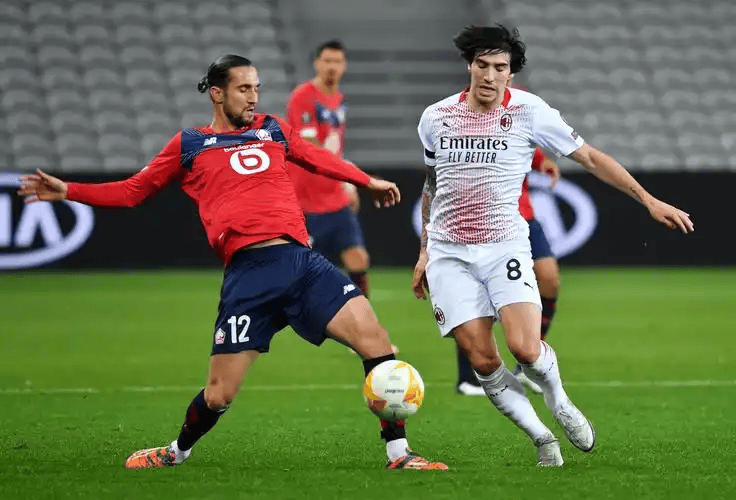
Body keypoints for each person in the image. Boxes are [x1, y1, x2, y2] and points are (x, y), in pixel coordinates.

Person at [19, 55, 447, 471]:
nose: (253, 97)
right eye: (244, 89)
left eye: (256, 88)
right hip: (250, 276)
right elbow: (133, 191)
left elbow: (315, 156)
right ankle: (176, 451)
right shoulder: (189, 144)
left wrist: (365, 180)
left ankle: (399, 453)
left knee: (378, 344)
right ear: (217, 93)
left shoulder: (272, 129)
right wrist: (69, 190)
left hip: (301, 263)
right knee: (218, 395)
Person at [412, 26, 693, 467]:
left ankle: (559, 400)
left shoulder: (530, 111)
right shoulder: (435, 117)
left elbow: (590, 157)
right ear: (469, 66)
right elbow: (432, 185)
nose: (490, 76)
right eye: (482, 65)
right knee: (483, 360)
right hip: (449, 253)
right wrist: (425, 250)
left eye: (500, 67)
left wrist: (649, 200)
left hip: (504, 244)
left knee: (525, 348)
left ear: (511, 72)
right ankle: (542, 438)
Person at [456, 147, 559, 396]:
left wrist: (542, 162)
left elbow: (527, 147)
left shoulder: (515, 125)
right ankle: (469, 376)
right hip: (482, 218)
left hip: (523, 216)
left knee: (549, 279)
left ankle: (528, 365)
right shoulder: (466, 129)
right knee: (476, 293)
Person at [285, 40, 371, 298]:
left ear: (344, 65)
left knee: (358, 258)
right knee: (304, 271)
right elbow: (311, 147)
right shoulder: (303, 96)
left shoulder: (338, 99)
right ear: (316, 63)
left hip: (334, 197)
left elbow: (334, 149)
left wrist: (344, 183)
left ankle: (361, 314)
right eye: (327, 61)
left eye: (337, 61)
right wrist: (349, 175)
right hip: (305, 199)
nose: (332, 67)